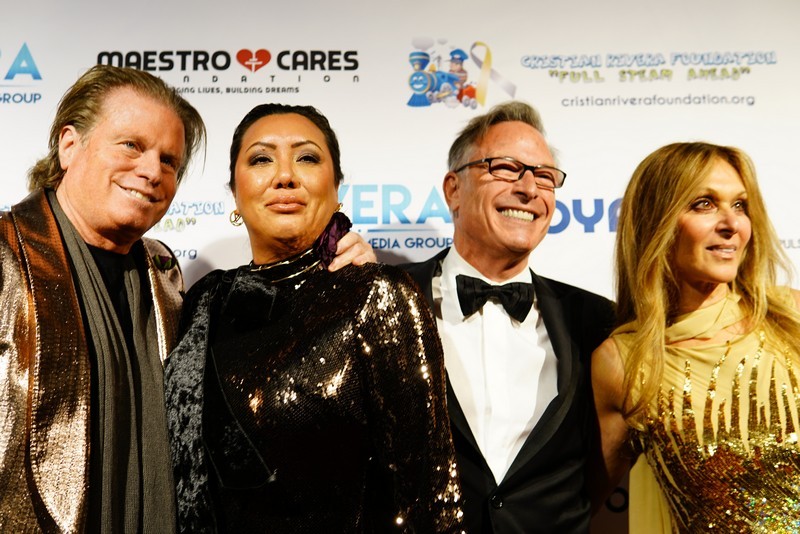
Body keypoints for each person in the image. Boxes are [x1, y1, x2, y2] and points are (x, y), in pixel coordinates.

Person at [0, 66, 373, 532]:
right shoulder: (5, 255)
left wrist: (344, 277)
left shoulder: (165, 275)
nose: (151, 172)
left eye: (169, 161)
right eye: (131, 145)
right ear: (69, 144)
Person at [165, 103, 464, 533]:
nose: (285, 176)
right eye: (261, 159)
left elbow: (429, 498)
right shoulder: (205, 300)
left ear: (337, 187)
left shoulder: (377, 294)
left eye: (306, 157)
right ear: (234, 193)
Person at [400, 101, 615, 533]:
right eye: (506, 168)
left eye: (544, 176)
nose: (529, 188)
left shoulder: (597, 321)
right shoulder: (388, 301)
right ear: (453, 189)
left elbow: (602, 472)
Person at [591, 142, 800, 532]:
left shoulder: (792, 317)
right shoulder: (624, 362)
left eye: (740, 205)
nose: (732, 223)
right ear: (657, 221)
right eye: (704, 204)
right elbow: (579, 507)